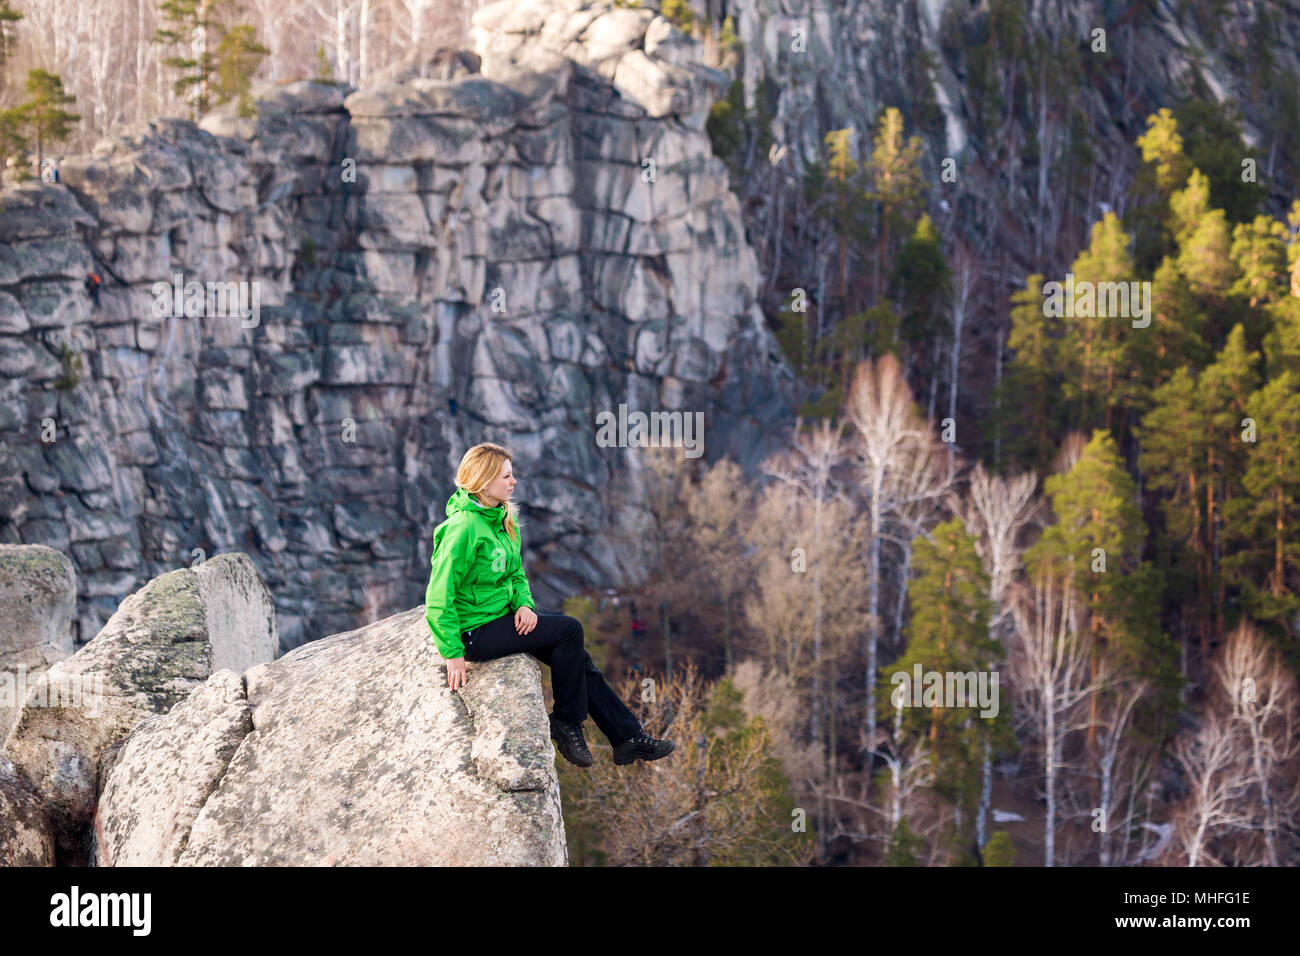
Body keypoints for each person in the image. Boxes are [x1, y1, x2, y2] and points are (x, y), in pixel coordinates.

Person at [425, 441, 674, 768]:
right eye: (506, 477)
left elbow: (515, 574)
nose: (513, 482)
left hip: (504, 618)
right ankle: (567, 722)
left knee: (577, 659)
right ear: (485, 482)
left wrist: (525, 606)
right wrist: (452, 652)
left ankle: (627, 738)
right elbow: (438, 597)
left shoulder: (501, 519)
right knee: (569, 631)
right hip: (475, 631)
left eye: (512, 475)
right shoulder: (463, 529)